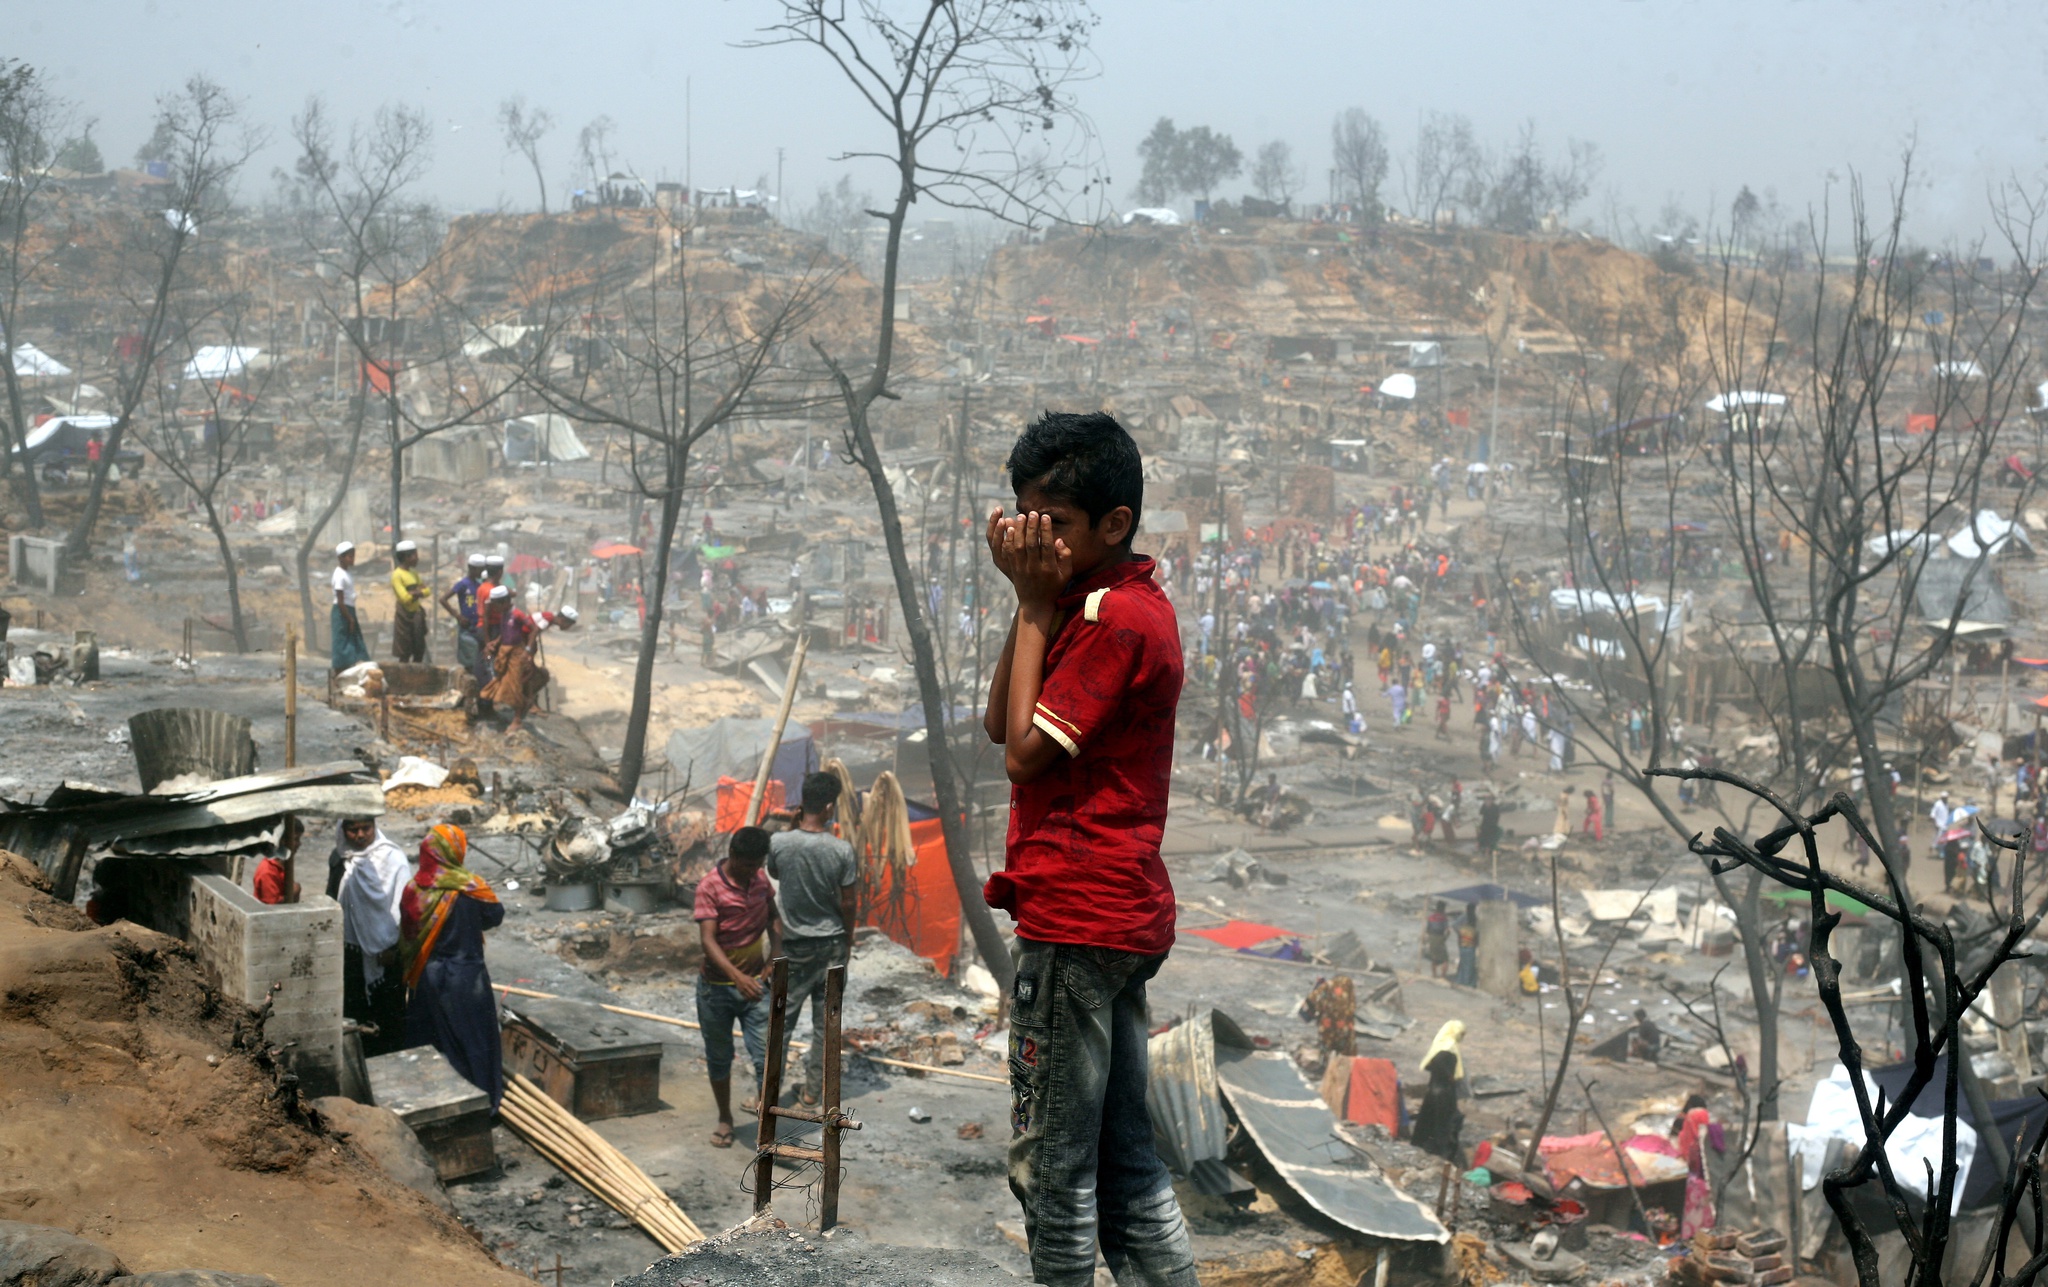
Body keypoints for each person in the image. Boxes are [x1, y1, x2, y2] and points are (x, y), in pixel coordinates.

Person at [980, 410, 1197, 1287]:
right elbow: (1000, 718)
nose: (1039, 540)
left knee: (1055, 1172)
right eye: (1027, 519)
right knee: (1124, 1165)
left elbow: (1024, 754)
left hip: (1078, 916)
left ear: (1115, 524)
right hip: (1111, 917)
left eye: (1055, 526)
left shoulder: (1118, 620)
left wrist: (1034, 603)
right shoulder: (1093, 603)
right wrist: (1032, 604)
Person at [767, 772, 858, 1107]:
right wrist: (847, 939)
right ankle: (812, 1091)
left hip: (791, 945)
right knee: (827, 1022)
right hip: (831, 944)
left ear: (802, 802)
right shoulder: (842, 850)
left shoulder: (778, 842)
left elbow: (776, 873)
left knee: (781, 1021)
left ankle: (768, 1093)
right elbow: (848, 902)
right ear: (830, 806)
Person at [398, 825, 505, 1104]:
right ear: (456, 851)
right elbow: (495, 915)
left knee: (430, 1042)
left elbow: (408, 932)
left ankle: (433, 1104)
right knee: (475, 1044)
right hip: (467, 980)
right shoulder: (470, 888)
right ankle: (484, 1105)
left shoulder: (413, 890)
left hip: (427, 977)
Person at [696, 825, 780, 1149]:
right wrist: (736, 977)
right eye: (747, 866)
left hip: (756, 987)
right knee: (719, 1057)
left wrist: (774, 955)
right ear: (732, 855)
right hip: (715, 990)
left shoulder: (759, 879)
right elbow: (707, 940)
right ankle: (725, 1118)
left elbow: (774, 917)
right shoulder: (710, 887)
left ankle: (765, 1126)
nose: (753, 873)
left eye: (758, 865)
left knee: (767, 1057)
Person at [335, 816, 410, 1057]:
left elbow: (405, 909)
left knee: (388, 1015)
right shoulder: (339, 860)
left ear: (374, 827)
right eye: (352, 830)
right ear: (342, 831)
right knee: (356, 1013)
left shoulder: (393, 859)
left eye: (365, 828)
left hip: (386, 955)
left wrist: (395, 948)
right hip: (352, 952)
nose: (359, 835)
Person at [480, 591, 574, 732]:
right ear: (564, 621)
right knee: (518, 681)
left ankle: (520, 715)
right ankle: (524, 707)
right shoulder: (546, 617)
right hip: (517, 650)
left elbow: (531, 629)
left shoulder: (517, 614)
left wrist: (529, 649)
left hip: (519, 650)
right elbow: (533, 630)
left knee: (523, 681)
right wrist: (528, 649)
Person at [1410, 1020, 1466, 1163]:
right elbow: (1442, 1066)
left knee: (1429, 1119)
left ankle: (1424, 1145)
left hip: (1433, 1089)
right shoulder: (1449, 1047)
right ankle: (1440, 1151)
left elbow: (1430, 1065)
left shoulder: (1440, 1044)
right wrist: (1449, 1077)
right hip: (1444, 1091)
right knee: (1442, 1122)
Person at [1674, 1094, 1724, 1237]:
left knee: (1694, 1222)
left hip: (1695, 1186)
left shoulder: (1689, 1140)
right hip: (1710, 1184)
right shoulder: (1713, 1137)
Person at [330, 542, 370, 672]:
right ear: (341, 558)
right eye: (349, 556)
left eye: (353, 556)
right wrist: (350, 619)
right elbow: (340, 600)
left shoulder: (347, 574)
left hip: (348, 610)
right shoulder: (339, 575)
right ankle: (338, 673)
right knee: (342, 645)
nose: (352, 559)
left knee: (354, 642)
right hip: (342, 612)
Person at [389, 540, 430, 663]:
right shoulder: (397, 575)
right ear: (406, 557)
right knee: (404, 650)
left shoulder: (414, 573)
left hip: (416, 614)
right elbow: (404, 598)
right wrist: (419, 592)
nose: (417, 559)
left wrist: (415, 593)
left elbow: (427, 591)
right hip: (404, 616)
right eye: (415, 556)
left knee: (419, 649)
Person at [251, 814, 304, 905]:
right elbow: (271, 906)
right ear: (282, 841)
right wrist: (293, 893)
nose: (299, 844)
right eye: (296, 839)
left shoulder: (284, 863)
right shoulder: (268, 871)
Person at [1423, 900, 1451, 978]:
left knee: (1434, 957)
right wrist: (1445, 938)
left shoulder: (1430, 917)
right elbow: (1448, 931)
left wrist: (1426, 940)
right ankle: (1443, 976)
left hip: (1431, 938)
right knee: (1445, 959)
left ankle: (1434, 975)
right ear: (1443, 909)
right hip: (1440, 937)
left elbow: (1427, 930)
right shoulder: (1443, 918)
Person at [1454, 903, 1479, 987]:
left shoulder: (1464, 918)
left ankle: (1460, 981)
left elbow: (1454, 925)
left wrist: (1459, 933)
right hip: (1471, 945)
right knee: (1469, 965)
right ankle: (1467, 983)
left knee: (1463, 963)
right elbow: (1477, 934)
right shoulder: (1475, 919)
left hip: (1462, 943)